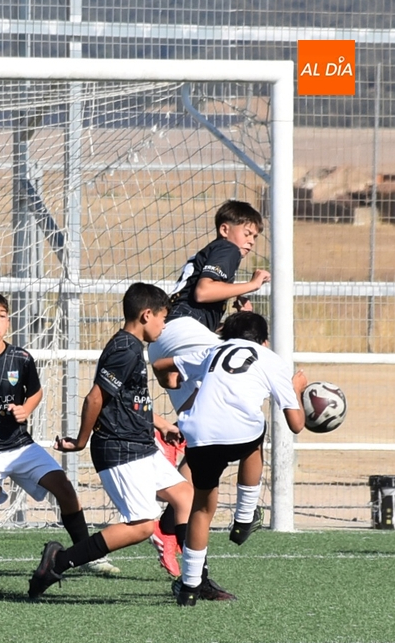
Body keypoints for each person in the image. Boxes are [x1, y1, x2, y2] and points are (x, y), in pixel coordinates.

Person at [32, 283, 219, 600]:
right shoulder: (125, 349)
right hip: (120, 448)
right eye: (162, 318)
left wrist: (161, 424)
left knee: (185, 496)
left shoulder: (132, 347)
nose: (164, 326)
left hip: (139, 444)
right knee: (143, 526)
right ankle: (58, 562)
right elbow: (95, 397)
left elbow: (129, 400)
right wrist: (80, 441)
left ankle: (195, 580)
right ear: (146, 315)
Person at [0, 292, 118, 578]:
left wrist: (26, 409)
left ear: (9, 322)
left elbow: (35, 392)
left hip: (20, 445)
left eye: (2, 316)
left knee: (66, 490)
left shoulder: (20, 358)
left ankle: (88, 555)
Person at [147, 200, 270, 577]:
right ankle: (246, 513)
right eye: (247, 232)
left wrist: (234, 312)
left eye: (254, 237)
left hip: (170, 338)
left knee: (203, 436)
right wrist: (252, 283)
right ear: (226, 229)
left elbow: (201, 301)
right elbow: (202, 292)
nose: (249, 242)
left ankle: (170, 525)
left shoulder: (213, 254)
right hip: (181, 332)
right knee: (247, 402)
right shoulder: (225, 249)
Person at [152, 311, 306, 606]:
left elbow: (160, 365)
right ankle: (244, 519)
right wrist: (296, 389)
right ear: (264, 340)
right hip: (240, 433)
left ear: (225, 336)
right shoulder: (271, 359)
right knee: (254, 438)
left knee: (201, 509)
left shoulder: (213, 350)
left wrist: (170, 381)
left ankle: (189, 588)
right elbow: (296, 424)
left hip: (199, 434)